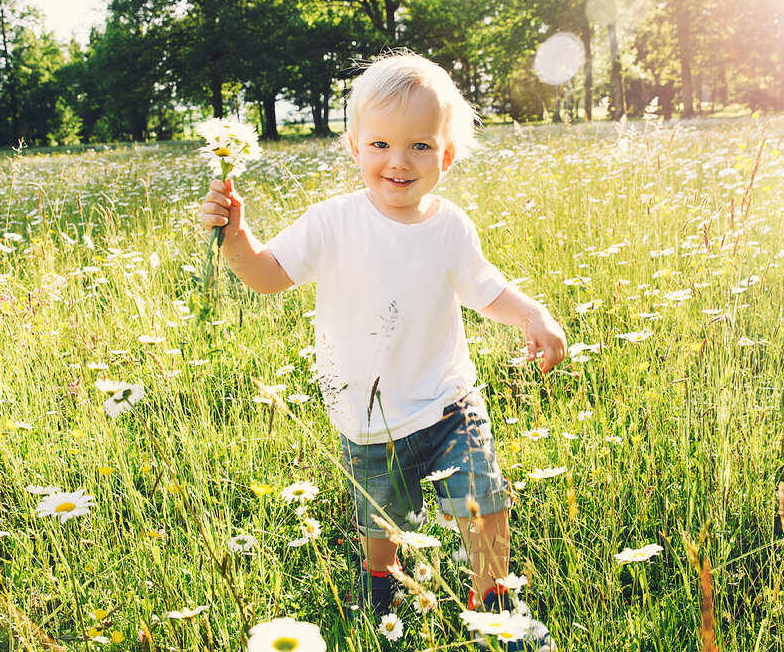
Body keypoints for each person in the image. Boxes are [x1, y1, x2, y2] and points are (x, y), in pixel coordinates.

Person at [199, 52, 565, 650]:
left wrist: (533, 315)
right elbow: (266, 277)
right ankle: (379, 582)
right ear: (354, 148)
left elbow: (486, 288)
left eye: (421, 145)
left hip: (450, 403)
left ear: (446, 156)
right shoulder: (333, 223)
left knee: (485, 503)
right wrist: (236, 236)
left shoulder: (451, 227)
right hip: (369, 419)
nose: (399, 161)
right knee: (382, 524)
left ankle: (495, 606)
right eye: (380, 144)